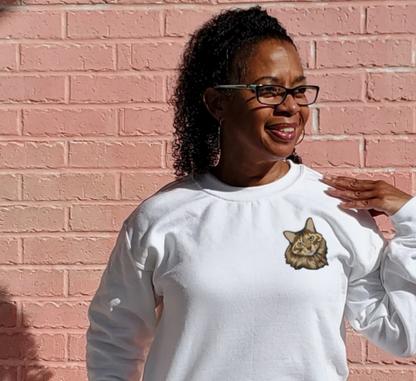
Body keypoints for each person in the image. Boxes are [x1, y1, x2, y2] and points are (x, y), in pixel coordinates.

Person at [86, 6, 416, 381]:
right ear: (217, 103)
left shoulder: (339, 209)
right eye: (269, 90)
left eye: (298, 90)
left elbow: (403, 334)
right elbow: (114, 342)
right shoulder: (161, 218)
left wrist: (412, 217)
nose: (290, 106)